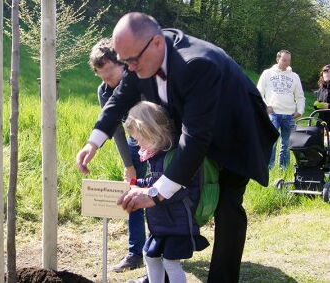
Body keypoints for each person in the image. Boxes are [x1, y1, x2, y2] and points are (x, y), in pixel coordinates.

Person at [76, 12, 278, 283]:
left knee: (227, 206)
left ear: (157, 44)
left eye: (133, 61)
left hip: (235, 135)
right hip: (194, 128)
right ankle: (161, 272)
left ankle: (223, 278)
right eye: (126, 63)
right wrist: (94, 141)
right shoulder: (141, 57)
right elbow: (119, 98)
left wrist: (157, 193)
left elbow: (195, 140)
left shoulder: (197, 64)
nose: (130, 69)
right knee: (172, 196)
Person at [124, 101, 209, 283]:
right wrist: (135, 183)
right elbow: (154, 181)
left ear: (152, 132)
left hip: (177, 222)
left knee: (171, 262)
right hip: (162, 221)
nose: (137, 144)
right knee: (150, 255)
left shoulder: (175, 158)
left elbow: (175, 190)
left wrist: (144, 190)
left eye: (139, 138)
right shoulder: (156, 155)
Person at [88, 38, 147, 272]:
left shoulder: (141, 80)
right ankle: (135, 253)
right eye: (102, 76)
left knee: (159, 193)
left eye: (110, 74)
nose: (107, 81)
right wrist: (128, 164)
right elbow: (115, 129)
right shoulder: (104, 91)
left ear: (122, 64)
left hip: (161, 141)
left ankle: (167, 246)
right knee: (132, 193)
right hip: (133, 142)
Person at [257, 50, 305, 169]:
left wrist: (300, 110)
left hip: (289, 115)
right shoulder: (267, 73)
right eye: (284, 60)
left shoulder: (294, 76)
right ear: (277, 59)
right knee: (271, 142)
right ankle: (269, 167)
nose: (287, 63)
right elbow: (258, 92)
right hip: (273, 114)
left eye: (289, 60)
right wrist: (265, 106)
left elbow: (300, 95)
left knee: (287, 144)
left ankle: (283, 168)